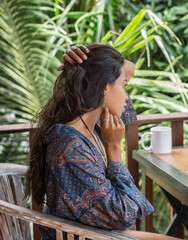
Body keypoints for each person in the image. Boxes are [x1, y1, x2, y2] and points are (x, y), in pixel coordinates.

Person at [26, 43, 177, 240]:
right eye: (124, 85)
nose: (127, 97)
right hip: (87, 236)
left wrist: (84, 56)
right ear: (105, 88)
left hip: (100, 233)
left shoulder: (91, 126)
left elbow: (128, 68)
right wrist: (114, 148)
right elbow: (123, 214)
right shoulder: (69, 145)